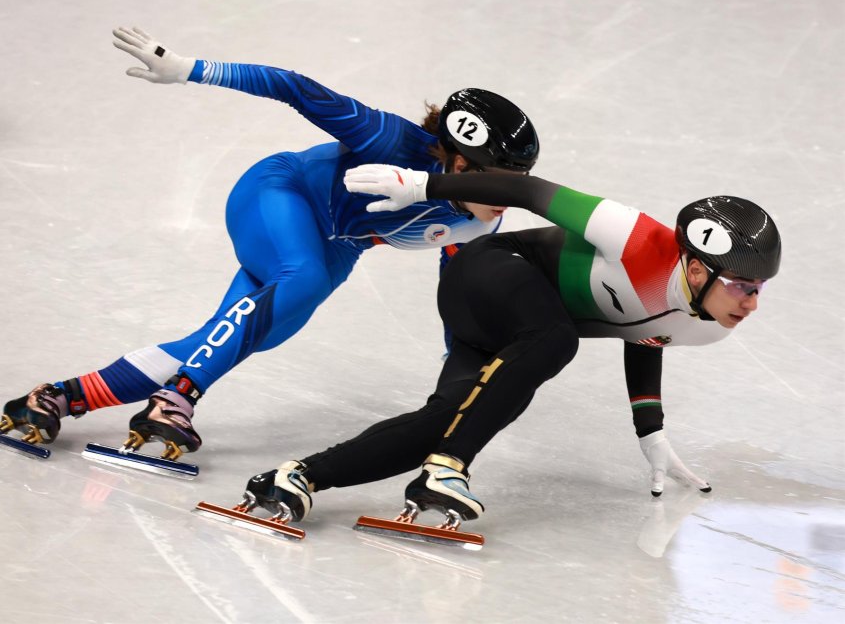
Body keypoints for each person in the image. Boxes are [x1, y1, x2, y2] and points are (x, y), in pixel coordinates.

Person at [0, 27, 540, 462]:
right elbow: (293, 87)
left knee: (235, 338)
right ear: (460, 161)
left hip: (336, 244)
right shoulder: (390, 140)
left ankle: (59, 397)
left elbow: (458, 300)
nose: (506, 199)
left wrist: (459, 368)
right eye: (500, 181)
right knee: (299, 281)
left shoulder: (477, 223)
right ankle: (179, 396)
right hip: (280, 193)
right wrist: (189, 69)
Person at [240, 164, 782, 526]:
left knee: (442, 422)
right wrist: (424, 187)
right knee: (556, 339)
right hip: (489, 273)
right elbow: (528, 192)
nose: (751, 304)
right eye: (741, 286)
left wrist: (651, 428)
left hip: (507, 334)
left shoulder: (711, 324)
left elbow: (647, 332)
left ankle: (296, 476)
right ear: (694, 265)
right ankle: (449, 469)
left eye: (759, 289)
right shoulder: (634, 236)